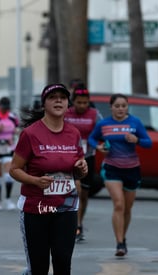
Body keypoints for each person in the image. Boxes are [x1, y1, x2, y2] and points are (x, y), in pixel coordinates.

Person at [9, 83, 88, 275]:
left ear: (68, 104)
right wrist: (35, 181)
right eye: (53, 97)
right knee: (40, 267)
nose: (58, 100)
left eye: (62, 97)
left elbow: (77, 169)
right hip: (37, 208)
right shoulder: (30, 134)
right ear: (44, 103)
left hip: (66, 207)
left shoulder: (73, 133)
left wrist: (81, 168)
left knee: (62, 262)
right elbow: (14, 169)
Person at [88, 93, 152, 257]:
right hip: (111, 168)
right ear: (111, 107)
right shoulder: (104, 124)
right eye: (117, 106)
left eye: (123, 106)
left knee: (127, 208)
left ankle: (123, 236)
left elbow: (148, 143)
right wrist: (99, 147)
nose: (120, 109)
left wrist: (136, 140)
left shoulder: (135, 122)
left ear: (127, 107)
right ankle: (119, 243)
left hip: (132, 169)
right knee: (118, 204)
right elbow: (91, 139)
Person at [64, 86, 102, 242]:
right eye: (79, 102)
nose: (82, 106)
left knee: (84, 195)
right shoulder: (67, 113)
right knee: (76, 189)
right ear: (73, 102)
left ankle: (79, 224)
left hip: (88, 157)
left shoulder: (94, 114)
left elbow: (101, 131)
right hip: (70, 157)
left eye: (85, 102)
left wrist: (101, 144)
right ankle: (71, 225)